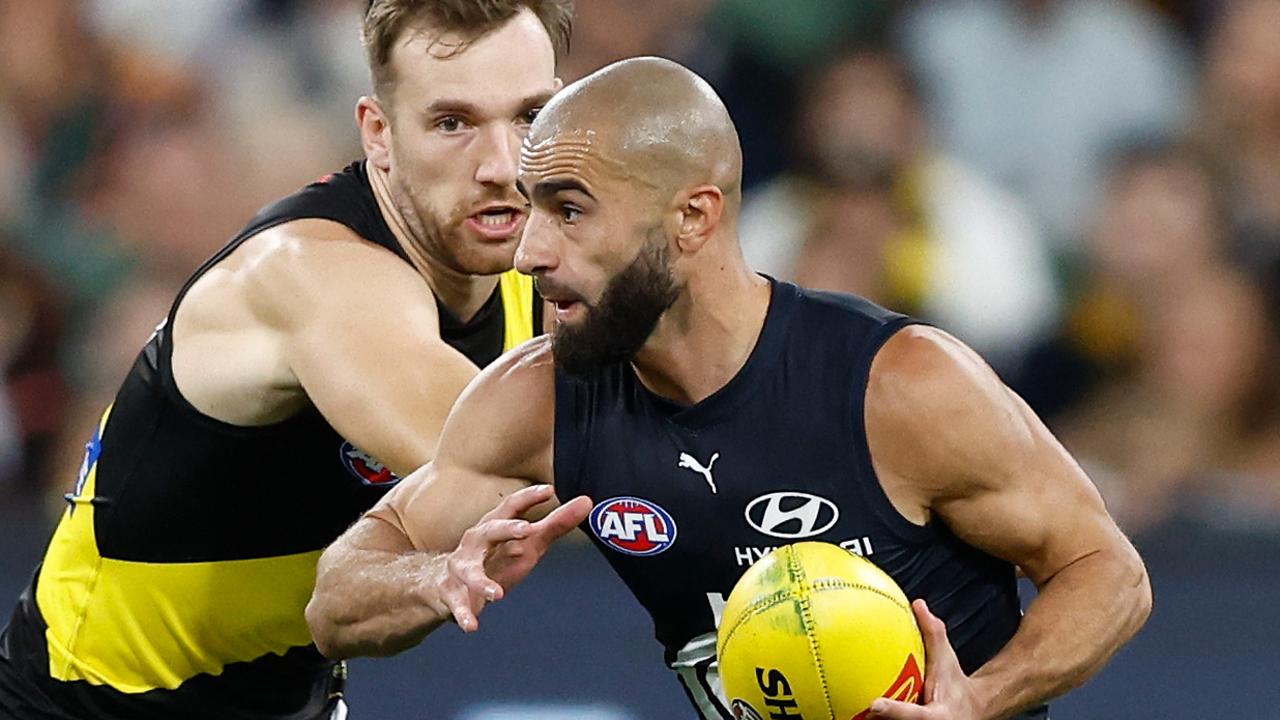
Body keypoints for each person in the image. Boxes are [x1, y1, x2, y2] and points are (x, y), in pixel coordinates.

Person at [306, 57, 1152, 719]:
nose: (529, 253)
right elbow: (337, 599)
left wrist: (983, 700)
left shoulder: (898, 386)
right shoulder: (541, 402)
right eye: (529, 209)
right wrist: (433, 579)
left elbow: (1106, 572)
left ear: (693, 217)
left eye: (568, 210)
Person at [0, 2, 572, 719]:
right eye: (452, 123)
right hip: (87, 707)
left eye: (529, 118)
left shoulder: (531, 260)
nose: (499, 166)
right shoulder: (312, 274)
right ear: (379, 133)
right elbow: (496, 450)